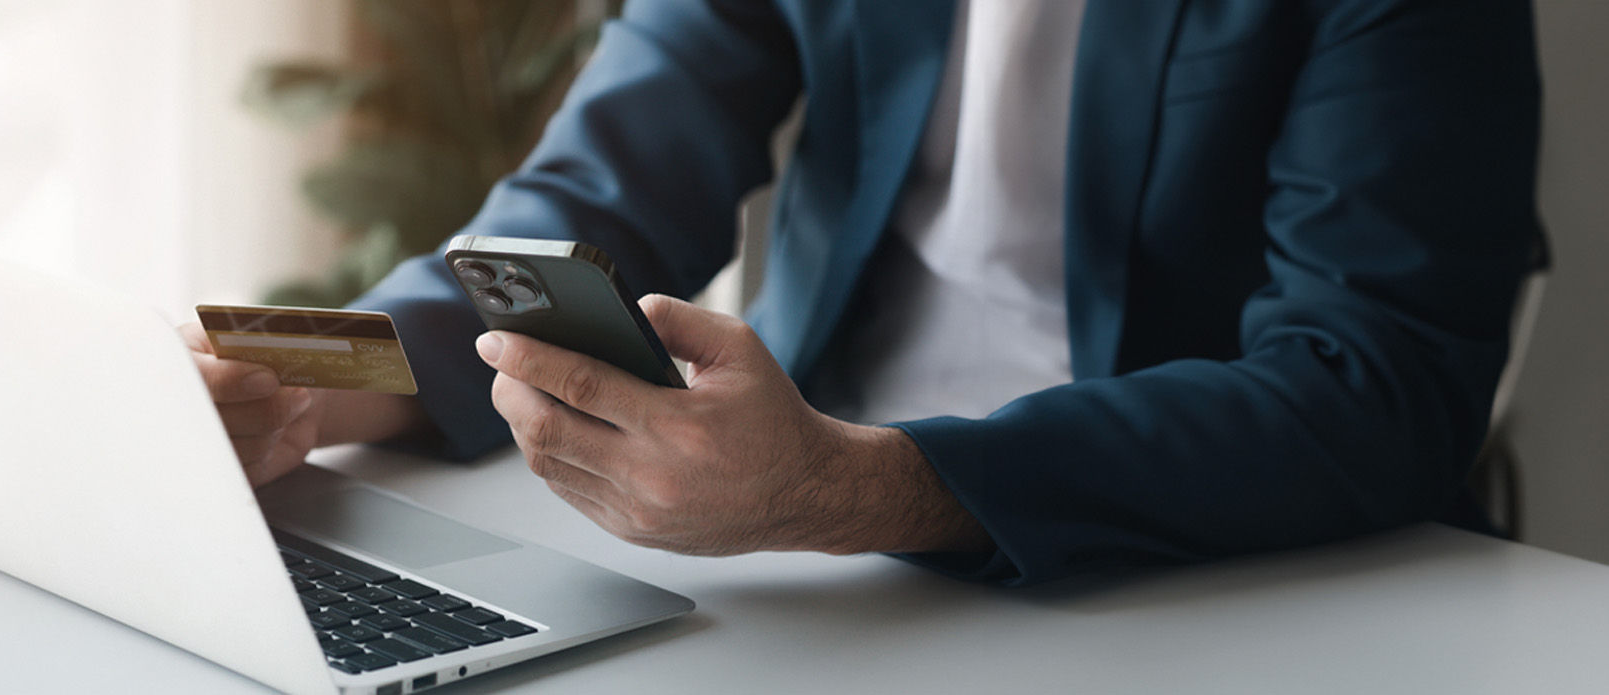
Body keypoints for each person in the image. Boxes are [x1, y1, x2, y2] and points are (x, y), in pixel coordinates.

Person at [182, 0, 1543, 585]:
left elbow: (1376, 381)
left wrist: (865, 486)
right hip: (809, 553)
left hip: (1184, 562)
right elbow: (593, 202)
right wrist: (311, 365)